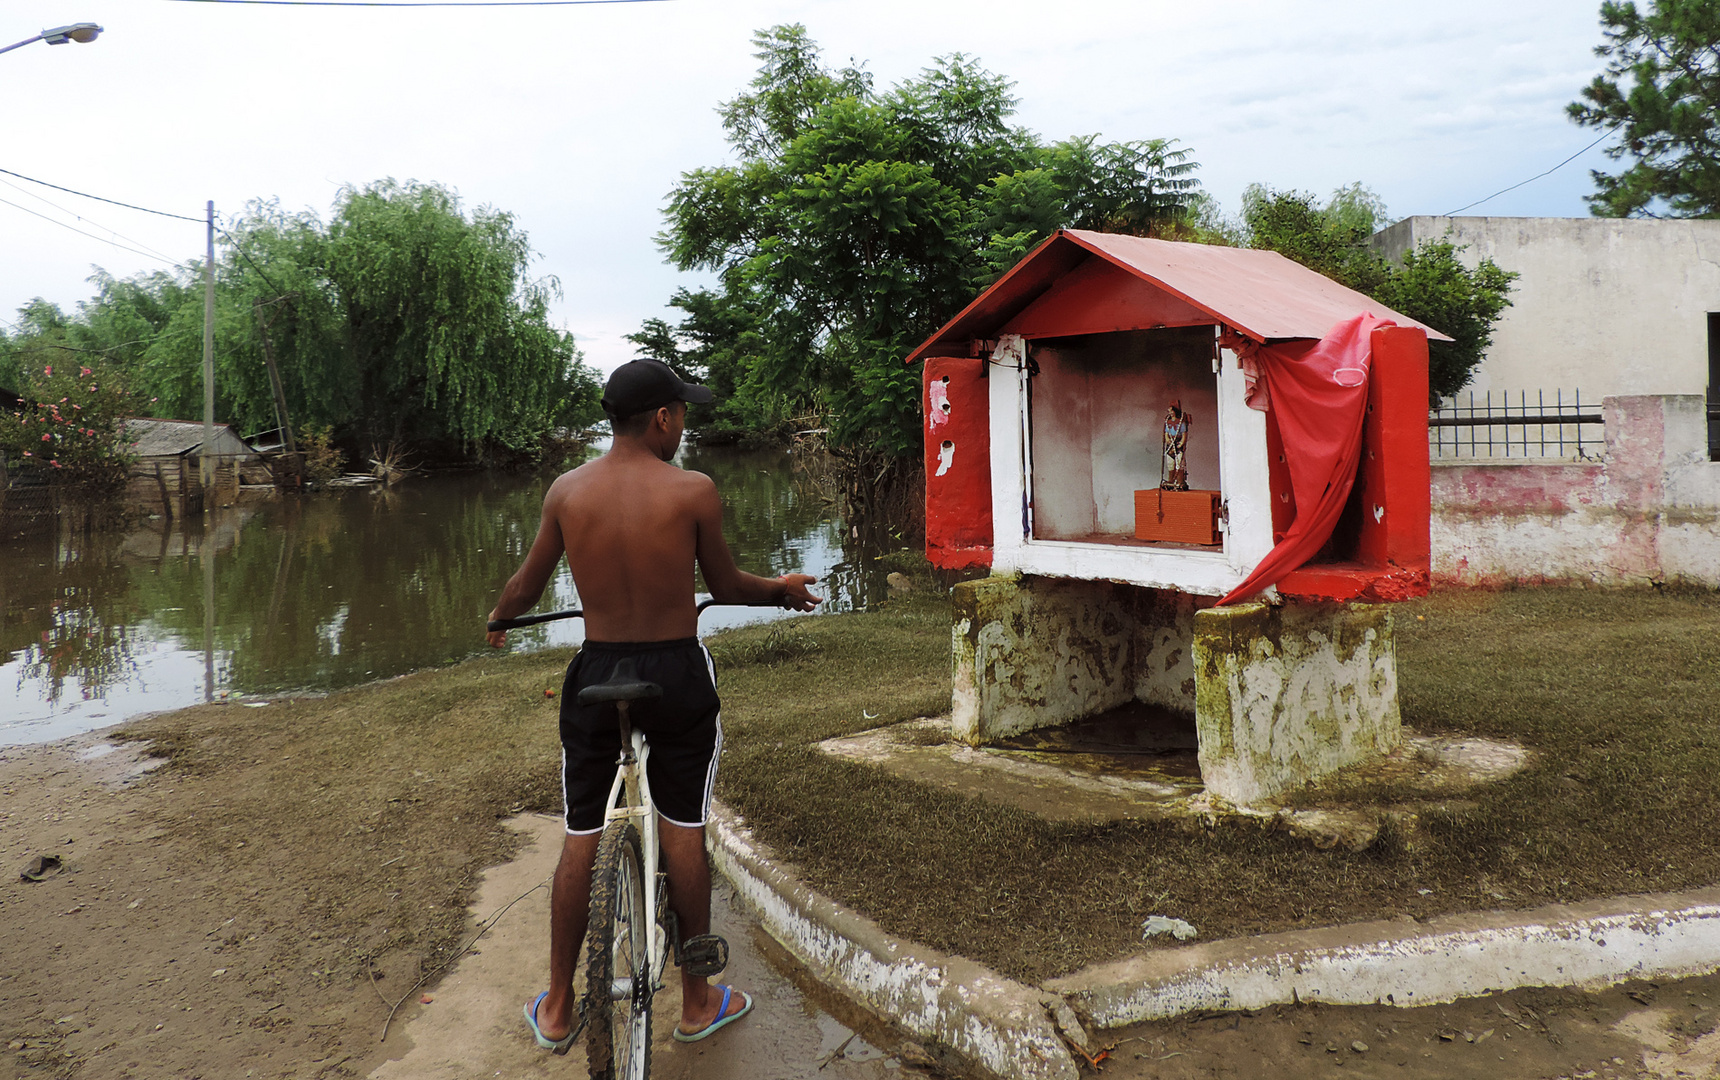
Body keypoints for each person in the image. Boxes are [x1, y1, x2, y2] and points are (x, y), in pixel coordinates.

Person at [487, 359, 821, 1053]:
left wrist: (498, 617)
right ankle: (697, 1001)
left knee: (582, 832)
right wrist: (780, 588)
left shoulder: (565, 491)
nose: (685, 425)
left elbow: (525, 584)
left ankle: (555, 1007)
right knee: (683, 824)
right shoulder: (692, 490)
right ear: (663, 418)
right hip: (675, 671)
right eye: (683, 413)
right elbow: (725, 584)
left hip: (595, 674)